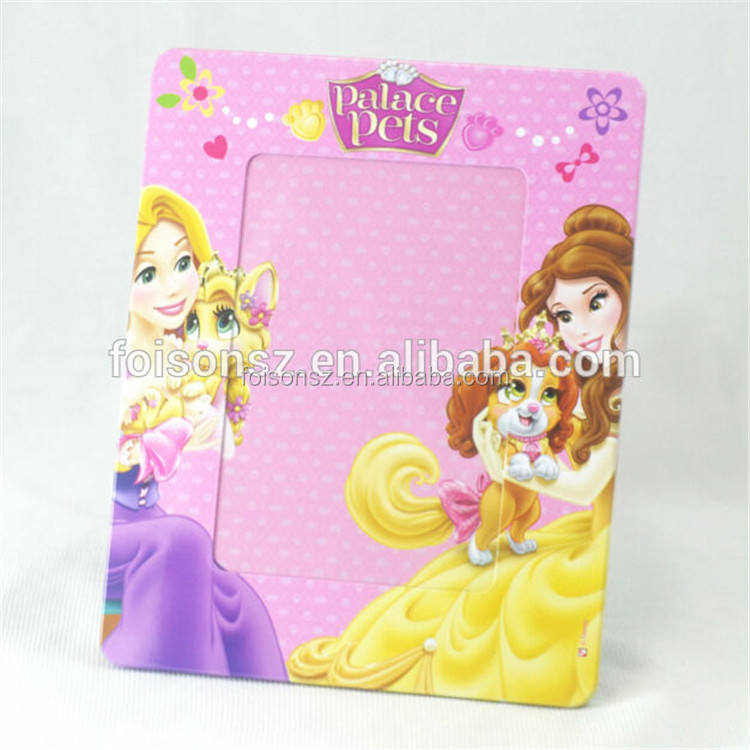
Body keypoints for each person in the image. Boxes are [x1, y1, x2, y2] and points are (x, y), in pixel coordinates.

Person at [287, 205, 632, 705]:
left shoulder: (613, 392)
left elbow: (583, 488)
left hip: (591, 544)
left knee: (511, 620)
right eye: (564, 315)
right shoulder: (582, 384)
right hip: (574, 529)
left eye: (596, 301)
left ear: (625, 290)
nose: (579, 328)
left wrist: (501, 466)